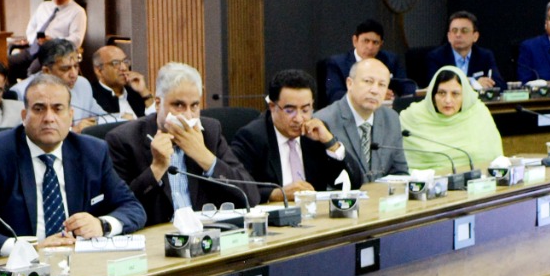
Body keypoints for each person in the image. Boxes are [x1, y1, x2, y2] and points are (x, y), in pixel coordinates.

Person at [0, 76, 143, 256]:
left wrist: (102, 225)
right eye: (39, 109)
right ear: (24, 116)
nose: (49, 118)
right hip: (25, 266)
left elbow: (132, 207)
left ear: (70, 116)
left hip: (81, 260)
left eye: (57, 109)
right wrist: (27, 249)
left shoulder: (92, 151)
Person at [100, 62, 257, 226]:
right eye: (179, 105)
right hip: (156, 236)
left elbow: (251, 196)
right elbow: (118, 209)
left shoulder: (210, 132)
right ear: (158, 103)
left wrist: (204, 156)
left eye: (194, 106)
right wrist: (157, 168)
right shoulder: (124, 140)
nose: (188, 116)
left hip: (205, 232)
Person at [229, 70, 360, 199]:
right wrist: (276, 194)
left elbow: (353, 183)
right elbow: (235, 188)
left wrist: (330, 143)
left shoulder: (315, 133)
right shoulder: (252, 137)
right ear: (272, 106)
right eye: (290, 110)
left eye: (305, 110)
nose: (298, 118)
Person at [320, 56, 408, 183]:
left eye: (382, 85)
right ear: (350, 84)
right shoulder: (325, 121)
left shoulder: (391, 118)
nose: (375, 90)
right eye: (368, 81)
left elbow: (400, 172)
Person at [400, 67, 505, 171]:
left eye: (455, 94)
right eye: (442, 93)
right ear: (432, 95)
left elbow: (494, 161)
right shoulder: (414, 116)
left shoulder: (478, 112)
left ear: (465, 96)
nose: (448, 100)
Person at [14, 39, 110, 126]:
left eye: (76, 66)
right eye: (65, 69)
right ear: (46, 71)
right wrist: (72, 132)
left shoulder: (82, 84)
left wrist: (120, 119)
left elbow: (104, 117)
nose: (74, 74)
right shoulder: (21, 92)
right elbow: (22, 132)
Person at [323, 19, 416, 102]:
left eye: (375, 43)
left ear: (381, 44)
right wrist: (370, 95)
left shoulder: (390, 60)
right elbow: (335, 95)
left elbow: (407, 87)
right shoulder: (337, 63)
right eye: (366, 41)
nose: (370, 47)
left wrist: (392, 93)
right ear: (355, 41)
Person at [420, 11, 500, 90]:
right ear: (449, 36)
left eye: (464, 31)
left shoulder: (485, 56)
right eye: (454, 31)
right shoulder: (436, 57)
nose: (458, 35)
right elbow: (435, 86)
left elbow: (500, 84)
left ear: (475, 36)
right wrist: (474, 83)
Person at [86, 44, 152, 122]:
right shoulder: (91, 96)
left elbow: (155, 119)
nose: (124, 68)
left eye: (125, 61)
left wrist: (144, 92)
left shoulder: (135, 92)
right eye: (115, 63)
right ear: (99, 71)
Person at [23, 0, 87, 51]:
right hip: (34, 49)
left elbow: (76, 40)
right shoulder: (43, 6)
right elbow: (30, 28)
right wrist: (36, 41)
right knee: (10, 58)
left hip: (57, 53)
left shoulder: (77, 12)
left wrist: (53, 42)